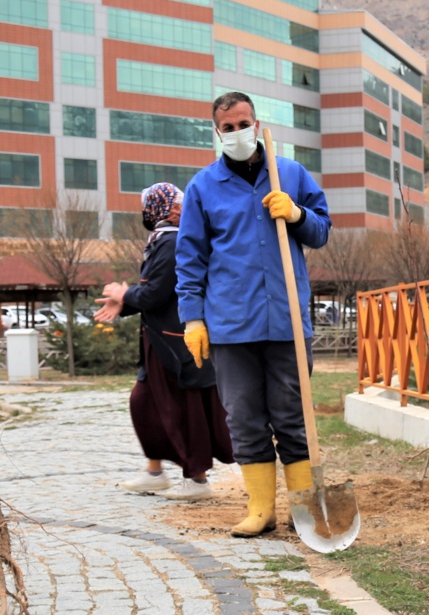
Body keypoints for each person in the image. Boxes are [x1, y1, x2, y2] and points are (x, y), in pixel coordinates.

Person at [176, 92, 331, 537]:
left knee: (292, 418)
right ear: (217, 131)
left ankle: (305, 510)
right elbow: (191, 259)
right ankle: (260, 509)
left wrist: (298, 213)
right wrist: (193, 318)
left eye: (243, 123)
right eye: (228, 127)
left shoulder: (292, 175)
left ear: (257, 123)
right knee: (243, 417)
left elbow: (321, 232)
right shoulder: (203, 187)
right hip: (230, 325)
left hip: (285, 323)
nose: (237, 132)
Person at [97, 182, 234, 498]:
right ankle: (155, 471)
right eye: (179, 201)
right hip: (159, 341)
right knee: (143, 403)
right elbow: (158, 291)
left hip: (175, 342)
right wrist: (125, 301)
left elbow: (157, 293)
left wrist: (125, 293)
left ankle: (196, 480)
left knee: (184, 409)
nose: (185, 205)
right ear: (169, 209)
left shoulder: (172, 243)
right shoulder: (165, 241)